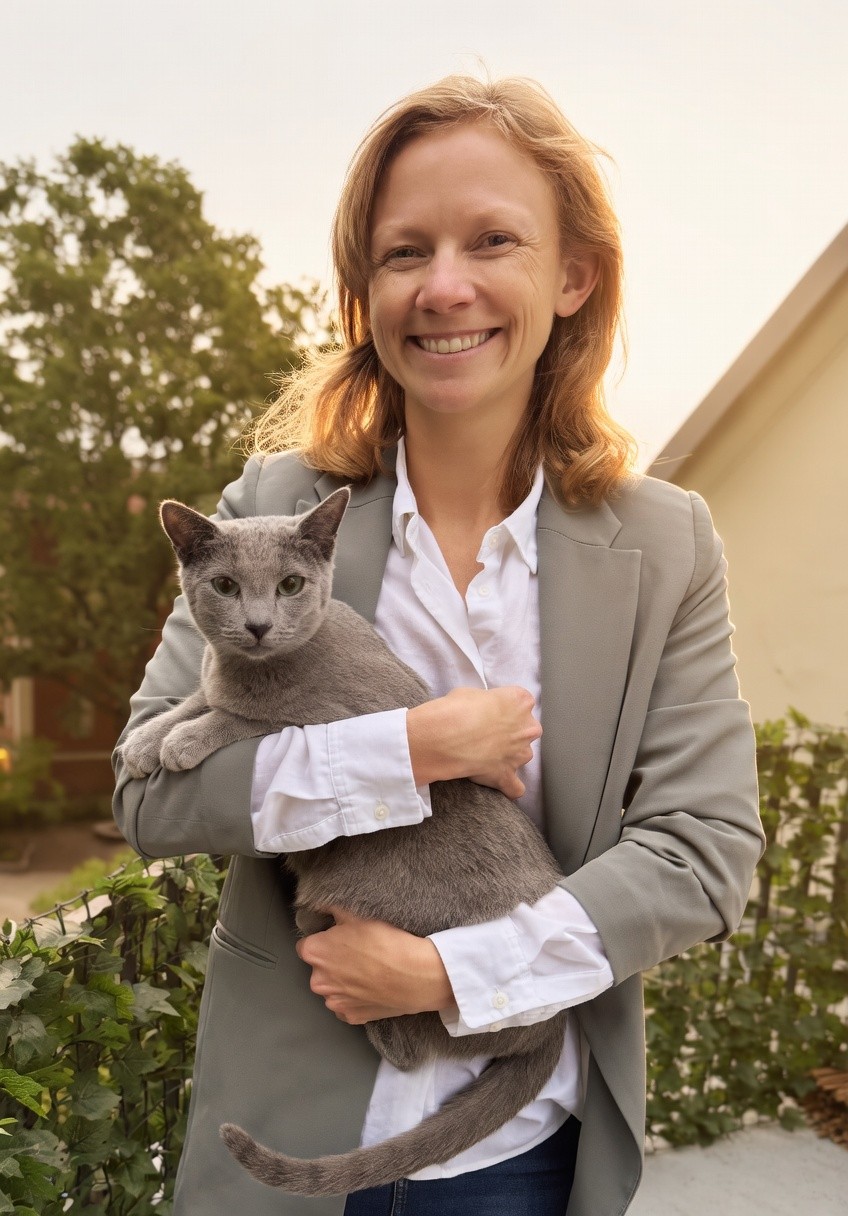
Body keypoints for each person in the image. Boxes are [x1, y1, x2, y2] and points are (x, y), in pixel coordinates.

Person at [113, 76, 764, 1216]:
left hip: (521, 1148)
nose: (444, 286)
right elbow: (148, 796)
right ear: (364, 291)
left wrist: (449, 976)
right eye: (403, 251)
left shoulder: (665, 542)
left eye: (492, 240)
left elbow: (703, 846)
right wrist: (402, 749)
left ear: (572, 276)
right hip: (283, 1135)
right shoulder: (273, 507)